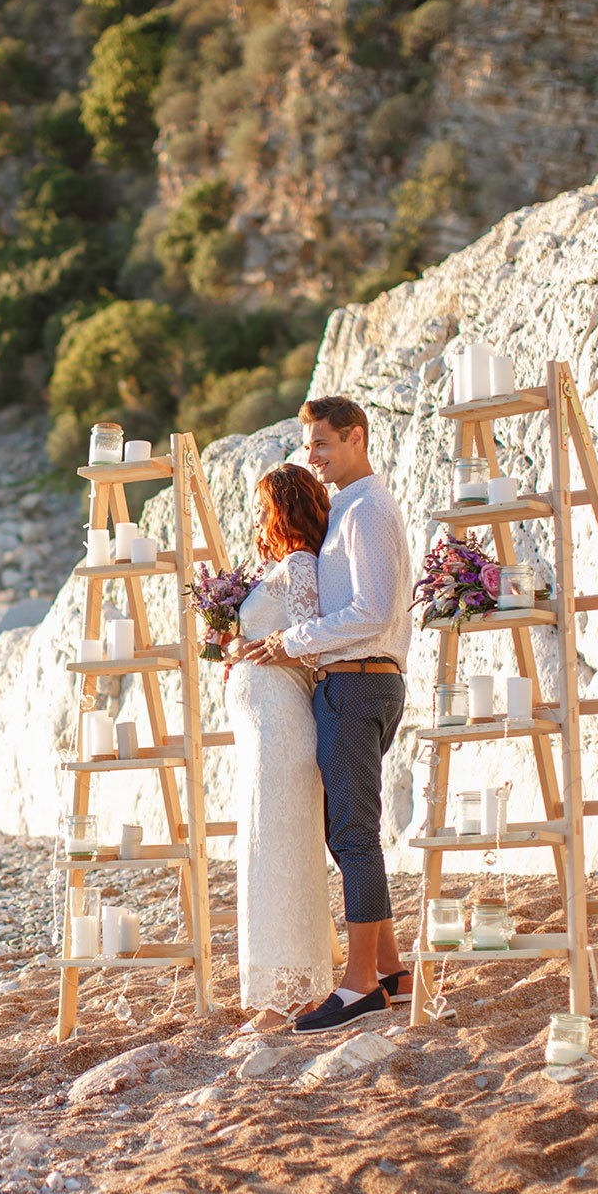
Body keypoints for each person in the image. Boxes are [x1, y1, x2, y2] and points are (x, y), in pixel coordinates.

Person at [236, 395, 413, 1032]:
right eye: (307, 446)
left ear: (356, 439)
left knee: (353, 838)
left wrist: (288, 643)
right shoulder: (348, 511)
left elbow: (372, 610)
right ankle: (391, 970)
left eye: (322, 446)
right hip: (357, 684)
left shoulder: (366, 511)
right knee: (353, 834)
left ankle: (360, 984)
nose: (312, 458)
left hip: (358, 685)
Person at [221, 464, 338, 1031]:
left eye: (262, 506)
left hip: (282, 731)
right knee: (266, 852)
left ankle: (286, 995)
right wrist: (239, 648)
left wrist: (256, 649)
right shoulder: (278, 568)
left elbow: (313, 642)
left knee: (279, 856)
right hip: (260, 734)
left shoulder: (300, 566)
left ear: (281, 509)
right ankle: (280, 984)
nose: (256, 518)